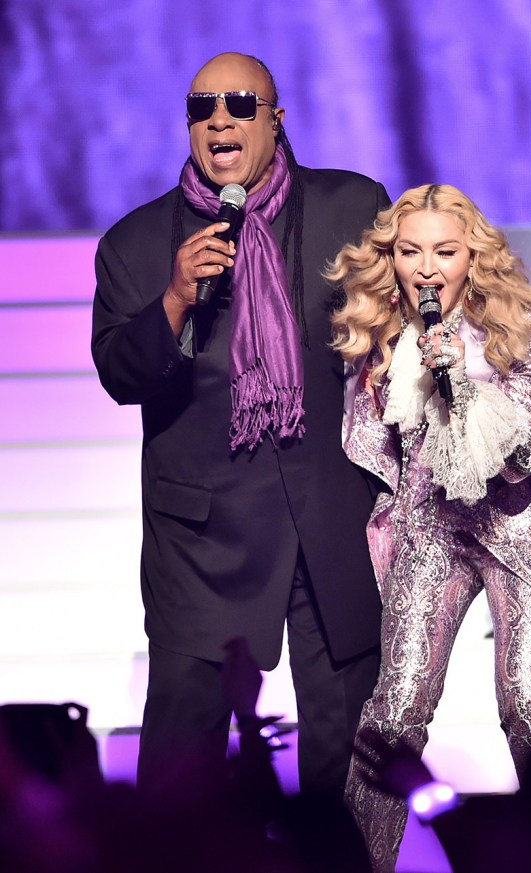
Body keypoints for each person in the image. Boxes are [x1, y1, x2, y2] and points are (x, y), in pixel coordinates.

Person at [91, 51, 390, 799]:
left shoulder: (352, 209)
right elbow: (121, 374)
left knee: (347, 763)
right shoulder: (135, 245)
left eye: (238, 103)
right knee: (182, 770)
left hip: (331, 523)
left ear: (275, 120)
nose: (219, 117)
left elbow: (404, 324)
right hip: (204, 542)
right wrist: (173, 300)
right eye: (202, 107)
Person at [327, 184, 531, 871]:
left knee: (527, 704)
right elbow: (378, 451)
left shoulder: (517, 326)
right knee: (393, 710)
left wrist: (463, 379)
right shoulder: (382, 336)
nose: (427, 268)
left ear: (472, 256)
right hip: (434, 525)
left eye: (445, 251)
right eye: (410, 251)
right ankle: (352, 864)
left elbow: (518, 462)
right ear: (392, 257)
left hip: (520, 527)